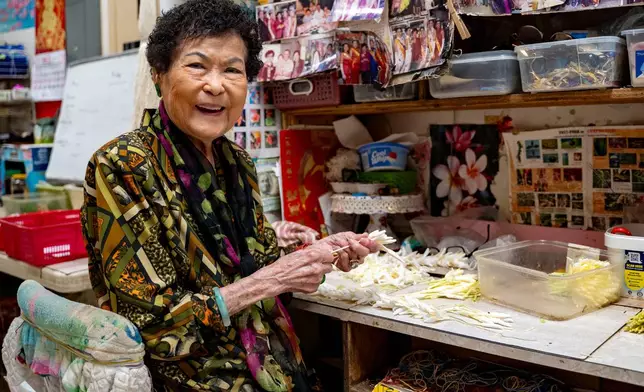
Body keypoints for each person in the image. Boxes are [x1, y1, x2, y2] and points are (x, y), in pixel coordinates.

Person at [80, 1, 379, 391]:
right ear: (159, 76)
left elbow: (261, 269)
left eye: (232, 70)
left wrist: (318, 256)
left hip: (276, 366)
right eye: (197, 66)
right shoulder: (123, 166)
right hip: (192, 381)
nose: (216, 85)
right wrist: (274, 278)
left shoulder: (235, 161)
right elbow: (154, 328)